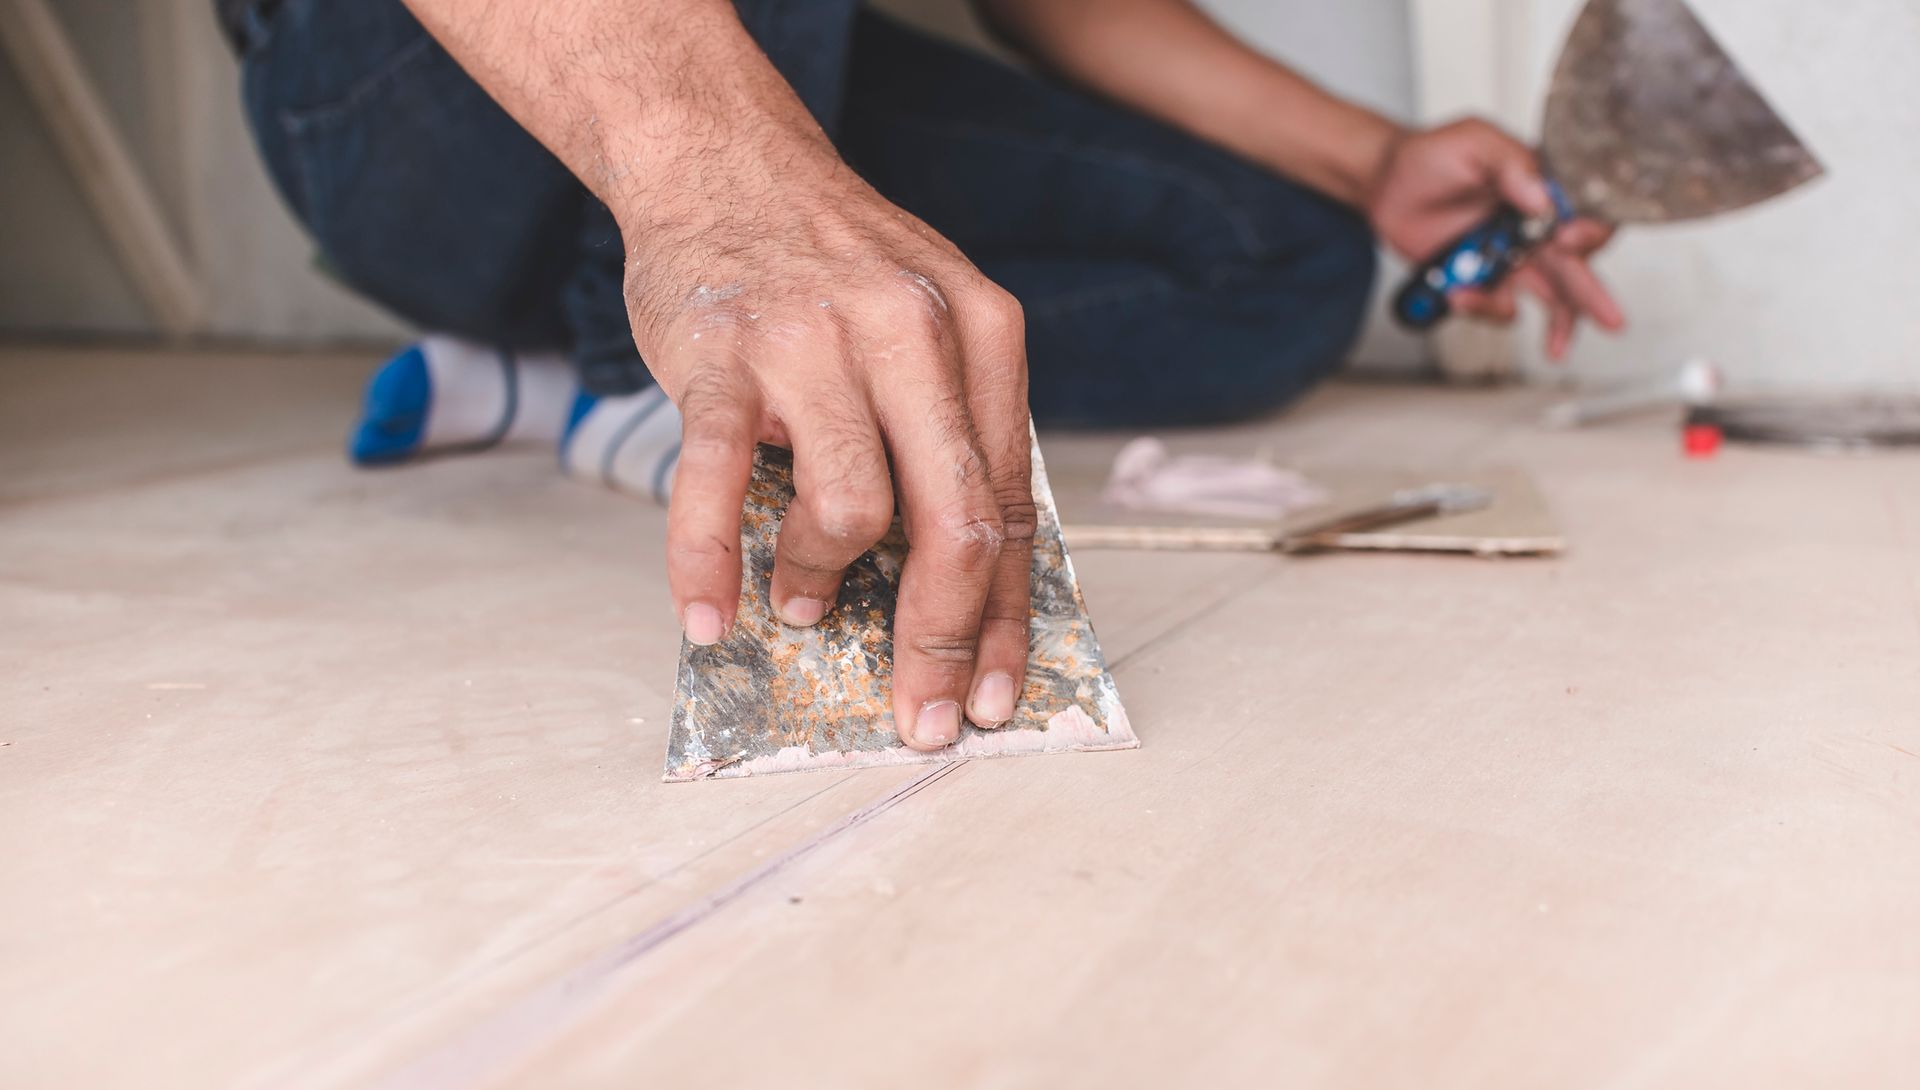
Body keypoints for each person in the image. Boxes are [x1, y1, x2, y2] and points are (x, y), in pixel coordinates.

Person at [222, 0, 1620, 751]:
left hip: (753, 39)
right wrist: (719, 186)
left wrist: (1372, 161)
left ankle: (544, 382)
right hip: (396, 89)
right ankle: (638, 355)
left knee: (1285, 262)